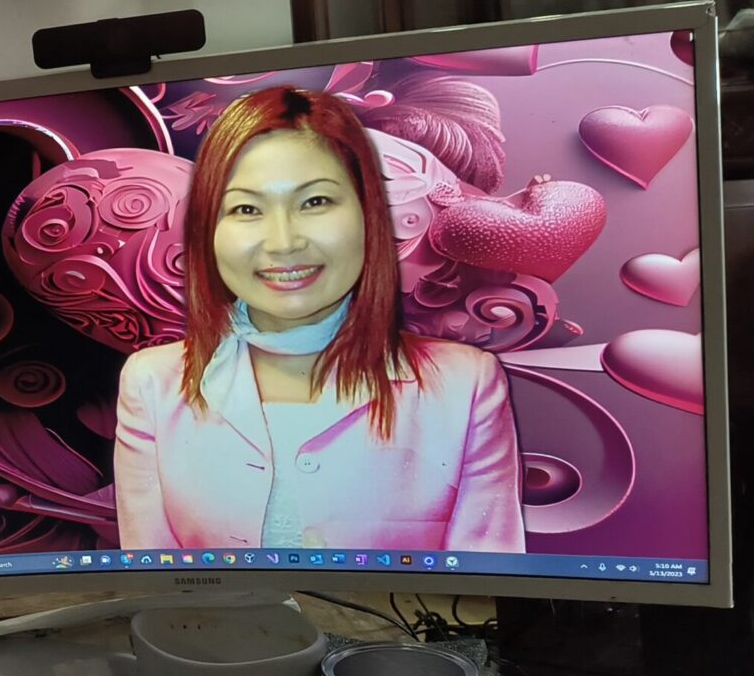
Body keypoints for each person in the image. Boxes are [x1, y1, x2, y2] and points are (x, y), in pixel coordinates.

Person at [114, 86, 525, 553]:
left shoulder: (465, 384)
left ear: (368, 215)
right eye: (246, 209)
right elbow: (155, 579)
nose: (283, 242)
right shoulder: (152, 382)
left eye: (315, 202)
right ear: (208, 229)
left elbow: (483, 578)